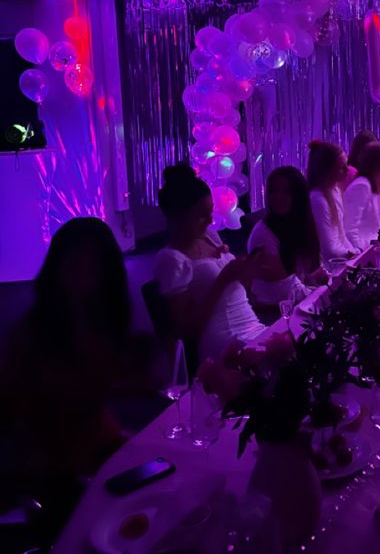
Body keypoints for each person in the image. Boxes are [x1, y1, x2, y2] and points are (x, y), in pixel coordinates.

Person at [0, 219, 157, 495]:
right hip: (50, 466)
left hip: (94, 443)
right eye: (74, 266)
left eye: (92, 268)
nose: (82, 277)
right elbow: (35, 411)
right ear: (57, 267)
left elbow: (90, 393)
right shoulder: (31, 333)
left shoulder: (98, 321)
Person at [155, 164, 267, 362]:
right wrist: (224, 279)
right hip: (223, 340)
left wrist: (246, 273)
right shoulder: (171, 259)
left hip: (250, 323)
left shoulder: (209, 236)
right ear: (177, 217)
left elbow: (237, 292)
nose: (209, 220)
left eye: (210, 212)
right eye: (201, 216)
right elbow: (187, 330)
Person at [247, 166, 326, 309]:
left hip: (295, 303)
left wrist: (318, 278)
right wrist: (325, 293)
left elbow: (301, 275)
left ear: (299, 196)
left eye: (286, 192)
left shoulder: (297, 224)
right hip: (272, 313)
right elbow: (287, 290)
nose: (278, 197)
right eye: (273, 191)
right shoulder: (262, 234)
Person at [343, 141, 380, 251]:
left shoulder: (372, 186)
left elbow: (376, 221)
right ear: (376, 163)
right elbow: (349, 230)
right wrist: (363, 254)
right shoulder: (361, 186)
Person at [306, 140, 353, 261]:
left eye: (346, 164)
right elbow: (328, 251)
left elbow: (341, 237)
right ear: (327, 171)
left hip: (339, 260)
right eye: (342, 167)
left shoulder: (335, 190)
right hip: (327, 267)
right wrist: (352, 256)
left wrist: (357, 252)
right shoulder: (318, 199)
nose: (348, 170)